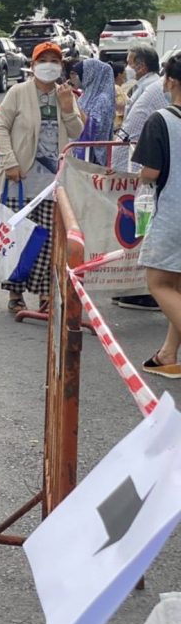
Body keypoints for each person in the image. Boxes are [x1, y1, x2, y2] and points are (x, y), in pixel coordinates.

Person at [0, 42, 83, 314]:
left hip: (53, 182)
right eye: (43, 60)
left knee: (48, 241)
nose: (48, 65)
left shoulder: (65, 94)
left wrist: (67, 108)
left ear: (61, 66)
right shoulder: (18, 92)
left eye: (54, 60)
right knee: (18, 238)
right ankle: (15, 293)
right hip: (19, 179)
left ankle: (45, 293)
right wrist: (9, 162)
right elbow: (1, 127)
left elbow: (78, 133)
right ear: (32, 66)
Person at [131, 54, 181, 378]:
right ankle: (167, 355)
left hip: (172, 213)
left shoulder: (161, 120)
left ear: (171, 81)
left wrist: (138, 179)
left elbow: (150, 172)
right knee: (177, 286)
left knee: (159, 283)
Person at [114, 47, 167, 311]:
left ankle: (147, 290)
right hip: (148, 174)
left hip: (147, 175)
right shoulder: (154, 90)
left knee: (144, 230)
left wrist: (121, 170)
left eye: (130, 62)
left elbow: (132, 129)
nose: (127, 68)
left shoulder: (155, 92)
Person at [76, 58, 115, 166]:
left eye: (81, 74)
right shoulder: (86, 93)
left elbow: (95, 128)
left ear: (91, 74)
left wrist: (73, 105)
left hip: (92, 157)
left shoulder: (102, 99)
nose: (78, 78)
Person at [112, 62, 128, 133]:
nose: (126, 75)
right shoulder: (116, 88)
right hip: (118, 126)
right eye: (124, 73)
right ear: (119, 75)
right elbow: (123, 104)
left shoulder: (116, 88)